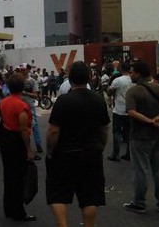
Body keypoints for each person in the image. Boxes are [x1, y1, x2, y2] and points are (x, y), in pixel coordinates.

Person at [46, 61, 110, 227]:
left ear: (70, 78)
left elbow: (53, 131)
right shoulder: (98, 100)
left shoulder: (63, 101)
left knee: (58, 193)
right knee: (90, 197)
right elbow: (104, 129)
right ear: (89, 78)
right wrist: (100, 147)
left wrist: (50, 151)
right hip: (92, 153)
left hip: (65, 154)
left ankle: (63, 225)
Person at [122, 61, 159, 214]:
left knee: (140, 170)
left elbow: (131, 112)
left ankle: (139, 203)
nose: (130, 75)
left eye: (132, 72)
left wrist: (149, 121)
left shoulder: (133, 92)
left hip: (140, 136)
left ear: (138, 73)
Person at [0, 73, 36, 221]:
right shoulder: (22, 105)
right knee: (18, 177)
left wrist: (5, 119)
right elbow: (23, 130)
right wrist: (29, 149)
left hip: (5, 141)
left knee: (8, 174)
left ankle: (8, 208)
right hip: (17, 142)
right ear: (22, 88)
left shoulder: (4, 102)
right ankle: (18, 212)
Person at [107, 62, 135, 161]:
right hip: (130, 110)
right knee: (129, 133)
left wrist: (110, 90)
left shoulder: (117, 80)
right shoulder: (133, 80)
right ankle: (129, 153)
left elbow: (109, 91)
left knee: (117, 132)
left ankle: (116, 154)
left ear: (121, 69)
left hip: (118, 110)